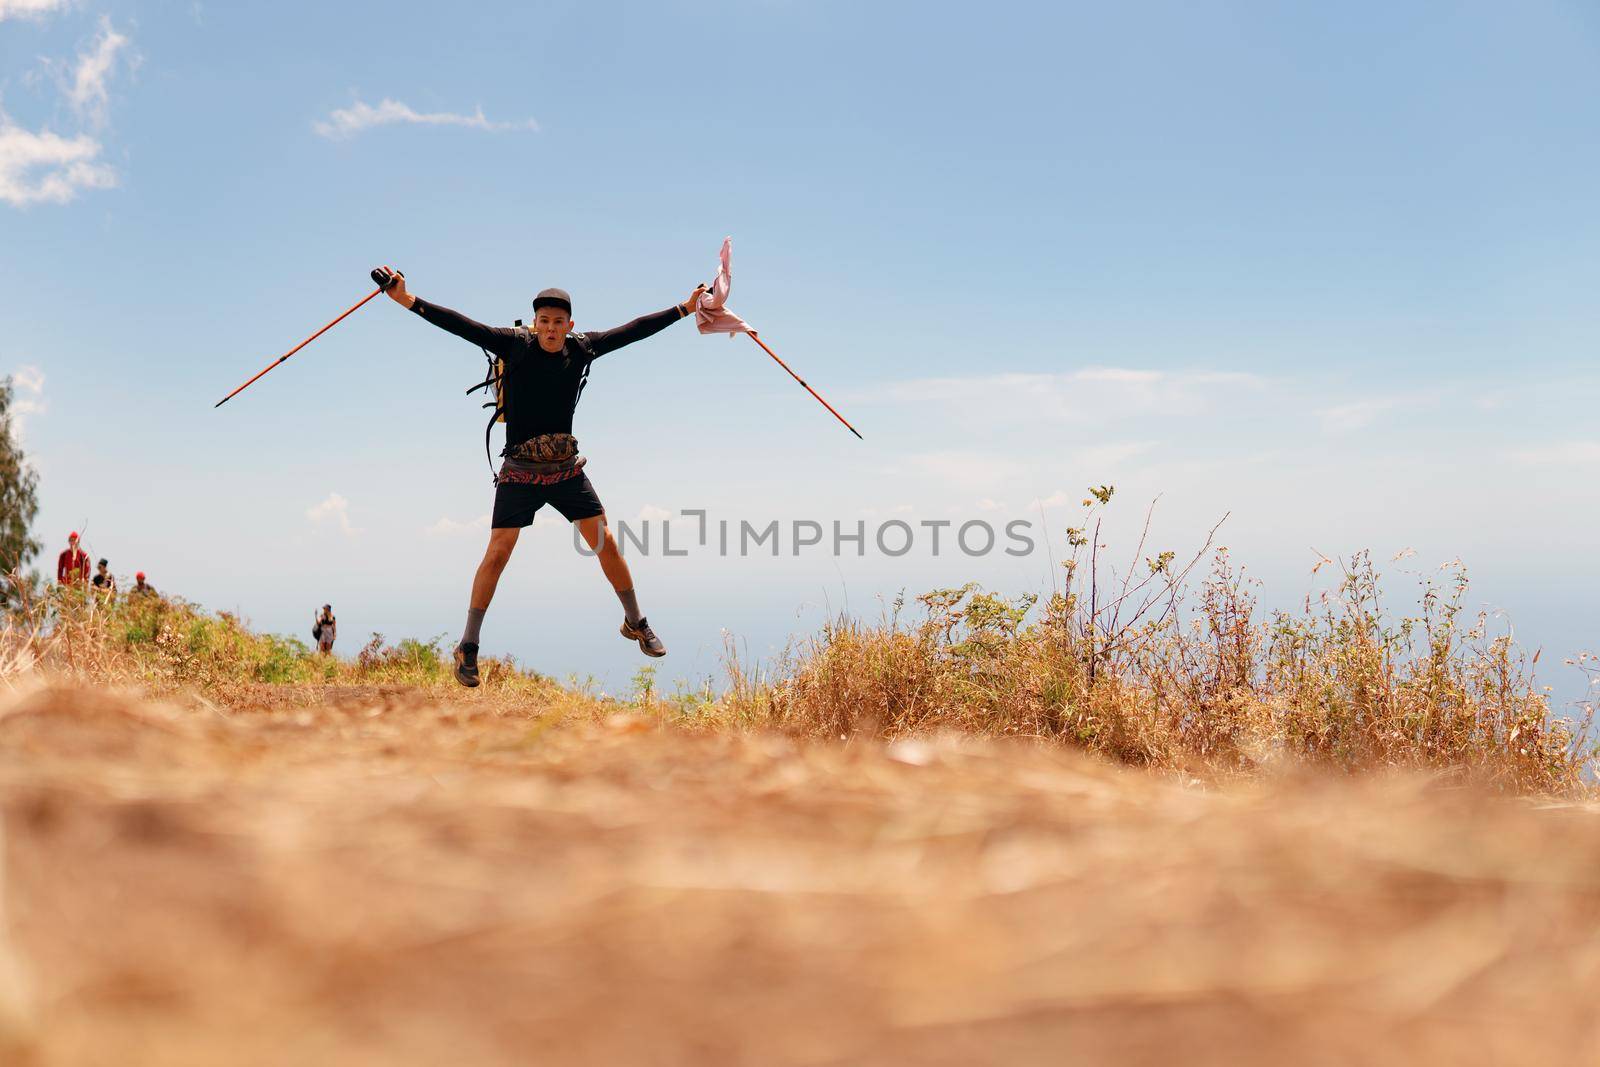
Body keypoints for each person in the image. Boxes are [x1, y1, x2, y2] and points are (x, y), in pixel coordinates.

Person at [379, 266, 705, 687]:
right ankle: (468, 646)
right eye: (544, 322)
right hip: (519, 471)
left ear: (569, 325)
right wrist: (408, 299)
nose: (551, 330)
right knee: (498, 553)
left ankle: (635, 621)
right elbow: (460, 324)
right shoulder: (513, 345)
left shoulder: (582, 348)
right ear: (535, 323)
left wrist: (684, 308)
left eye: (558, 323)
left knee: (606, 544)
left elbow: (633, 331)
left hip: (565, 470)